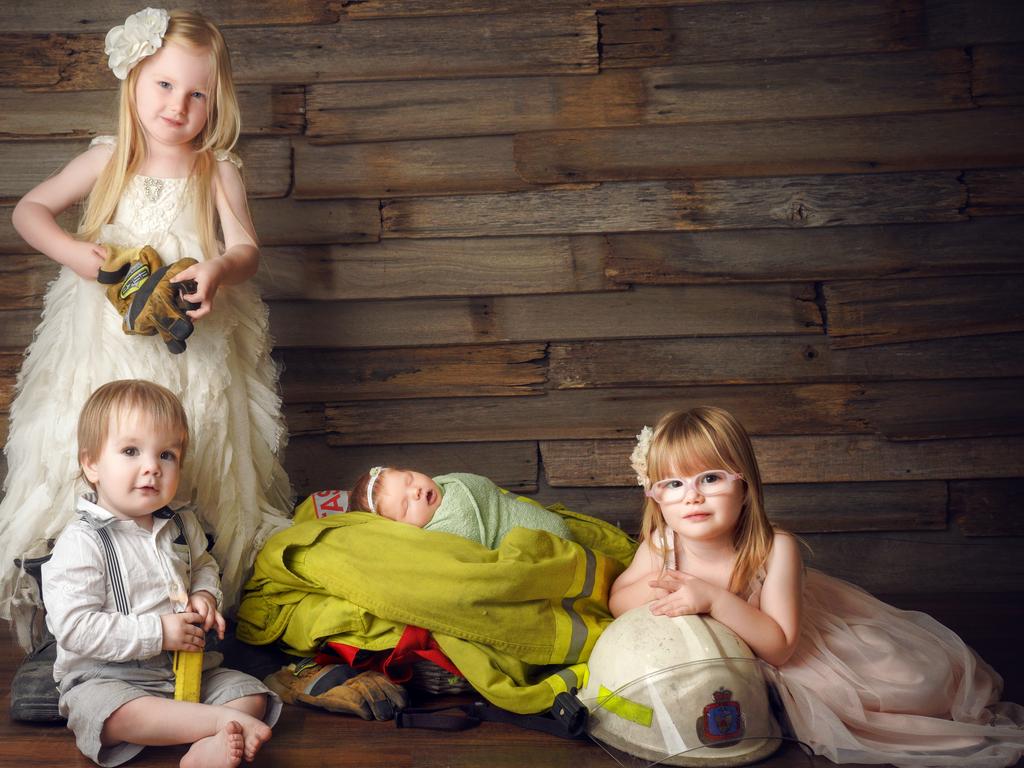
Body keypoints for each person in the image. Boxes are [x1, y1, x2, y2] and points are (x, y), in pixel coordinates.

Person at [1, 7, 292, 647]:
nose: (178, 105)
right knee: (102, 438)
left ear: (216, 104)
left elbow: (247, 248)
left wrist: (216, 269)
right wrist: (80, 255)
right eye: (163, 84)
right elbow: (30, 211)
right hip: (104, 339)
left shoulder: (216, 168)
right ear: (133, 79)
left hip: (192, 342)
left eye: (197, 94)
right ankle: (83, 605)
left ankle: (195, 599)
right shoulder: (109, 159)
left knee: (198, 439)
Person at [610, 406, 1024, 767]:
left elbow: (780, 647)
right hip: (725, 663)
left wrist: (714, 598)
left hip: (800, 651)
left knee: (911, 688)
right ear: (655, 496)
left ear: (744, 485)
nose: (693, 497)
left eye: (711, 478)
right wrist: (662, 586)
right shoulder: (662, 544)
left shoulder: (775, 550)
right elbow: (619, 600)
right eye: (675, 484)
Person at [42, 379, 280, 768]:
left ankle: (207, 742)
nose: (151, 466)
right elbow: (74, 628)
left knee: (250, 695)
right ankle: (221, 723)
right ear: (92, 464)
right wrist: (160, 632)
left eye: (166, 455)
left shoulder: (181, 524)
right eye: (131, 451)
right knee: (112, 714)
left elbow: (203, 567)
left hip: (186, 672)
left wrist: (205, 597)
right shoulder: (83, 541)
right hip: (110, 677)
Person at [350, 467, 574, 547]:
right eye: (406, 505)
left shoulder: (447, 483)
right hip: (538, 551)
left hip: (543, 523)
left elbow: (490, 494)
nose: (415, 491)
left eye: (409, 479)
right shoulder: (437, 537)